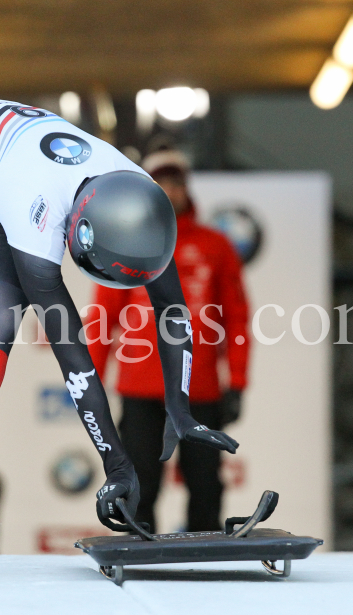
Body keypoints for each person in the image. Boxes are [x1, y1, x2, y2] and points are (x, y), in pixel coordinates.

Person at [0, 100, 239, 545]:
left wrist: (180, 405)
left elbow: (173, 311)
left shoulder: (141, 197)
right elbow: (73, 359)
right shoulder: (36, 218)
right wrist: (118, 466)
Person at [85, 150, 250, 532]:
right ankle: (138, 545)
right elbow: (103, 317)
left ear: (186, 188)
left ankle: (205, 546)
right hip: (140, 388)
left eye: (176, 183)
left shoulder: (216, 246)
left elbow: (236, 320)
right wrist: (90, 380)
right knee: (139, 480)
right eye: (161, 183)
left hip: (200, 389)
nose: (170, 191)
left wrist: (237, 382)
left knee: (205, 482)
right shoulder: (126, 241)